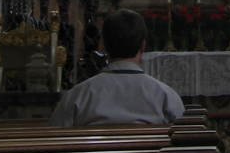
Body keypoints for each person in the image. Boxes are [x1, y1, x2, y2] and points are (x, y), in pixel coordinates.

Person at [48, 9, 183, 127]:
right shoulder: (166, 97)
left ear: (104, 45)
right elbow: (182, 138)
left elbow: (55, 136)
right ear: (142, 47)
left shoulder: (77, 96)